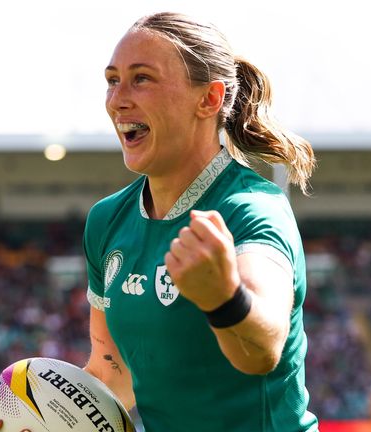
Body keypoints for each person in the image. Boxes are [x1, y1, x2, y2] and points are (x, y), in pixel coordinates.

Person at [80, 12, 318, 431]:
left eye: (142, 79)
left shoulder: (252, 208)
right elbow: (111, 373)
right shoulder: (106, 221)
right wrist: (44, 419)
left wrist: (225, 298)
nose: (117, 99)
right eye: (112, 79)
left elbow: (262, 349)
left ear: (208, 99)